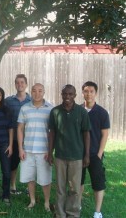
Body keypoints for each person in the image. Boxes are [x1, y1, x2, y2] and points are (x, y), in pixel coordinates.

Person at [48, 84, 90, 218]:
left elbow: (86, 134)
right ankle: (60, 214)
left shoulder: (82, 112)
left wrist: (87, 155)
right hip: (60, 156)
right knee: (60, 188)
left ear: (75, 95)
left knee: (74, 189)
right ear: (61, 94)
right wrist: (50, 153)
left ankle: (72, 213)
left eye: (70, 94)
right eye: (65, 94)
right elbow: (52, 133)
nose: (67, 96)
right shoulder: (55, 112)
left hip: (76, 156)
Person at [17, 83, 53, 211]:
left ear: (44, 92)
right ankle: (32, 201)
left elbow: (53, 132)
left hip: (44, 151)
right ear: (30, 92)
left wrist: (50, 150)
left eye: (40, 91)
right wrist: (21, 148)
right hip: (28, 150)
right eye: (34, 91)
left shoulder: (50, 108)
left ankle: (47, 203)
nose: (37, 93)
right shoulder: (24, 108)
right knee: (30, 177)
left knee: (45, 179)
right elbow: (20, 129)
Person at [80, 81, 110, 218]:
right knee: (78, 182)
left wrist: (99, 154)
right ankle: (77, 206)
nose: (89, 94)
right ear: (82, 93)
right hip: (78, 154)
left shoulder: (102, 113)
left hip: (94, 154)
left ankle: (97, 212)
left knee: (98, 184)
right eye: (86, 91)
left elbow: (105, 134)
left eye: (91, 91)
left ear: (96, 93)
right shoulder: (77, 110)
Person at [5, 74, 31, 194]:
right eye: (17, 82)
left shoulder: (31, 100)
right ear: (15, 84)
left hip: (30, 138)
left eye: (22, 82)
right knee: (14, 163)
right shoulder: (9, 101)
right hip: (14, 138)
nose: (20, 85)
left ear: (26, 84)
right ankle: (13, 185)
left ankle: (29, 187)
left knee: (29, 163)